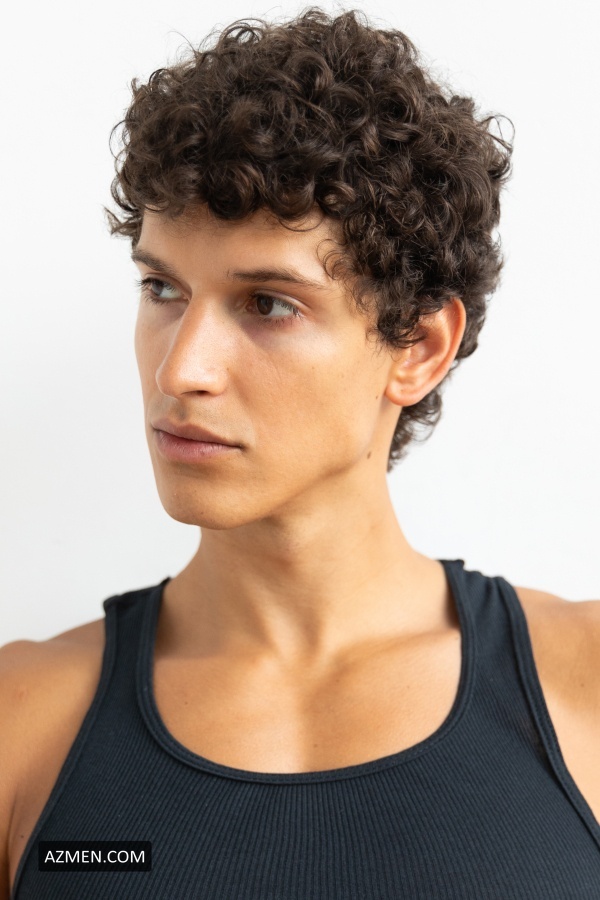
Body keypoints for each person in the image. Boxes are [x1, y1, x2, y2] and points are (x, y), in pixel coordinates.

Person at [2, 6, 599, 898]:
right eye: (162, 288)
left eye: (268, 304)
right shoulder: (21, 722)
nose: (181, 369)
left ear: (418, 347)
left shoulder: (583, 686)